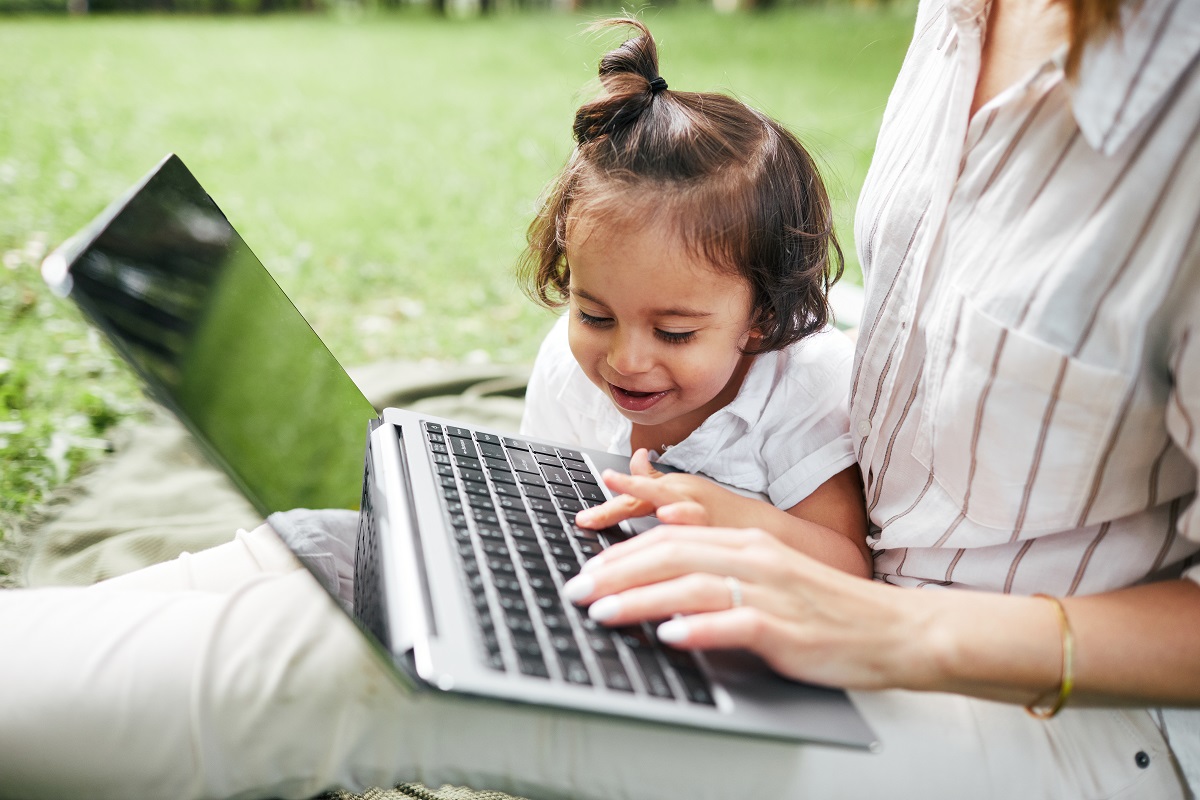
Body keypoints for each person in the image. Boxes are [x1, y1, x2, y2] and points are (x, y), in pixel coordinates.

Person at [1, 1, 1197, 798]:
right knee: (324, 554)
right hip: (849, 605)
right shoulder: (967, 16)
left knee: (346, 660)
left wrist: (898, 624)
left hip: (1070, 726)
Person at [516, 18, 867, 576]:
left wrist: (722, 512)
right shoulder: (567, 364)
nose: (625, 361)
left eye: (674, 332)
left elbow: (846, 567)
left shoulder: (803, 387)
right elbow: (538, 508)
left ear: (763, 314)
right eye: (595, 315)